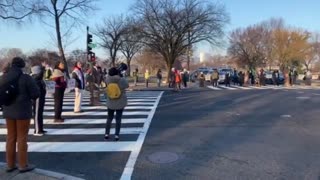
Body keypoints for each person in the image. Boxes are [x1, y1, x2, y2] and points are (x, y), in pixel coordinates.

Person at [1, 57, 40, 173]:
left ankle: (10, 164)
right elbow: (35, 93)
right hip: (23, 112)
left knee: (10, 138)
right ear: (22, 66)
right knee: (22, 138)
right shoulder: (26, 78)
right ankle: (23, 165)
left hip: (8, 111)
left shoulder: (3, 77)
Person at [104, 67, 129, 141]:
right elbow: (127, 85)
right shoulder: (121, 80)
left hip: (110, 101)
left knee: (109, 118)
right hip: (120, 101)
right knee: (118, 119)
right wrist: (121, 76)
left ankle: (106, 134)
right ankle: (116, 135)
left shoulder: (107, 80)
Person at [31, 65, 47, 136]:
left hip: (41, 97)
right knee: (37, 114)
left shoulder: (39, 79)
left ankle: (40, 128)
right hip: (37, 98)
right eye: (41, 71)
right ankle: (37, 130)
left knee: (40, 113)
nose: (42, 73)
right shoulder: (35, 79)